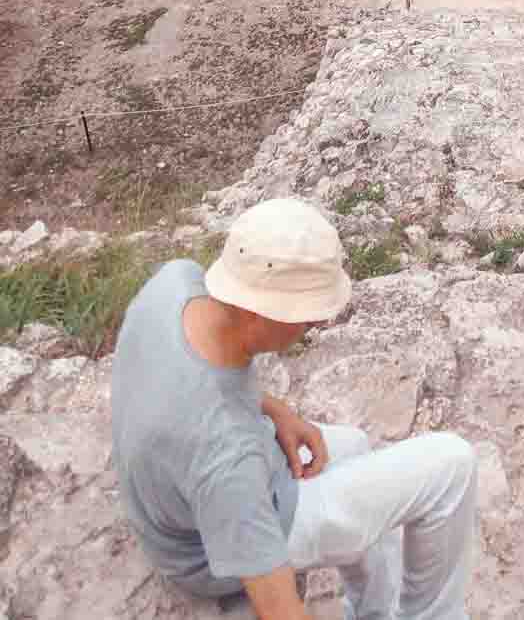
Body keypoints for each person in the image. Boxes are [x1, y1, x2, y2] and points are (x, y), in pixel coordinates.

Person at [111, 197, 477, 616]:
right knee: (454, 466)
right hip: (212, 552)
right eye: (306, 317)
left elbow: (185, 384)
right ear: (258, 313)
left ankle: (375, 609)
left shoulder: (176, 285)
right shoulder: (226, 455)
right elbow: (280, 611)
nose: (317, 325)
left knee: (354, 445)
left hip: (184, 507)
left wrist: (272, 409)